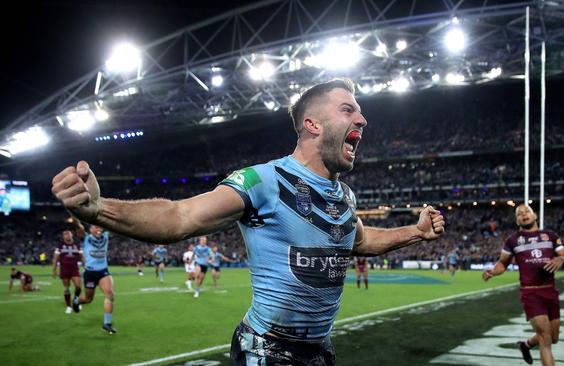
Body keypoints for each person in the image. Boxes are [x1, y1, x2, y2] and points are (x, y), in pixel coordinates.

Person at [51, 78, 445, 365]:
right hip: (267, 351)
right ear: (312, 124)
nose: (362, 117)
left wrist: (415, 231)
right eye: (348, 109)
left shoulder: (344, 196)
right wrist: (98, 210)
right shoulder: (263, 180)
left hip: (321, 350)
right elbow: (179, 217)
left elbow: (358, 241)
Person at [482, 204, 564, 366]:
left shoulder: (550, 236)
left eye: (526, 211)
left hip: (550, 291)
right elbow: (503, 263)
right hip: (531, 293)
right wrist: (493, 271)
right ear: (517, 220)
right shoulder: (513, 240)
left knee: (554, 337)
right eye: (519, 214)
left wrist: (561, 259)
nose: (523, 215)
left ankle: (525, 345)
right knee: (545, 338)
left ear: (535, 215)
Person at [70, 220, 117, 335]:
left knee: (110, 294)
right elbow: (79, 227)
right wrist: (75, 219)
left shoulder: (106, 236)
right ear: (90, 230)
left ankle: (107, 323)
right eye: (96, 227)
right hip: (90, 273)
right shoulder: (85, 238)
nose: (98, 229)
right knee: (88, 299)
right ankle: (76, 301)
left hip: (103, 272)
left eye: (100, 227)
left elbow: (116, 226)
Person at [52, 228, 84, 314]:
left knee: (78, 287)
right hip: (64, 269)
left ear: (71, 235)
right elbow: (55, 258)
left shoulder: (77, 244)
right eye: (65, 234)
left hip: (74, 269)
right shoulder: (60, 245)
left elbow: (82, 256)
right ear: (63, 236)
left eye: (68, 234)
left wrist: (85, 266)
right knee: (67, 288)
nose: (66, 236)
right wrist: (54, 270)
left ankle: (76, 301)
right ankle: (68, 306)